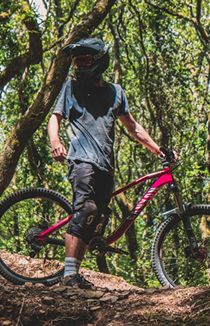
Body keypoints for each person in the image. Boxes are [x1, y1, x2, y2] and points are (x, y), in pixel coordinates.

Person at [48, 38, 172, 289]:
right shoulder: (71, 88)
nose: (79, 66)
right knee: (86, 210)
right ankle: (68, 276)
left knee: (96, 219)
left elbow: (133, 127)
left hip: (106, 165)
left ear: (99, 61)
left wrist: (159, 150)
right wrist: (55, 141)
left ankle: (75, 274)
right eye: (76, 61)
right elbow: (55, 117)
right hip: (81, 160)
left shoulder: (115, 92)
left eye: (84, 60)